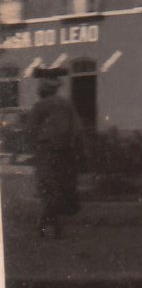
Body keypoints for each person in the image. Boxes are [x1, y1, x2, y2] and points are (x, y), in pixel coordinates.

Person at [27, 68, 85, 238]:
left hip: (46, 152)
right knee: (58, 189)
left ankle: (46, 226)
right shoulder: (66, 104)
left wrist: (34, 146)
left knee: (48, 189)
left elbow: (31, 130)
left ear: (43, 90)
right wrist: (79, 150)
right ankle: (52, 227)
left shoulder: (40, 106)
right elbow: (77, 129)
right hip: (64, 152)